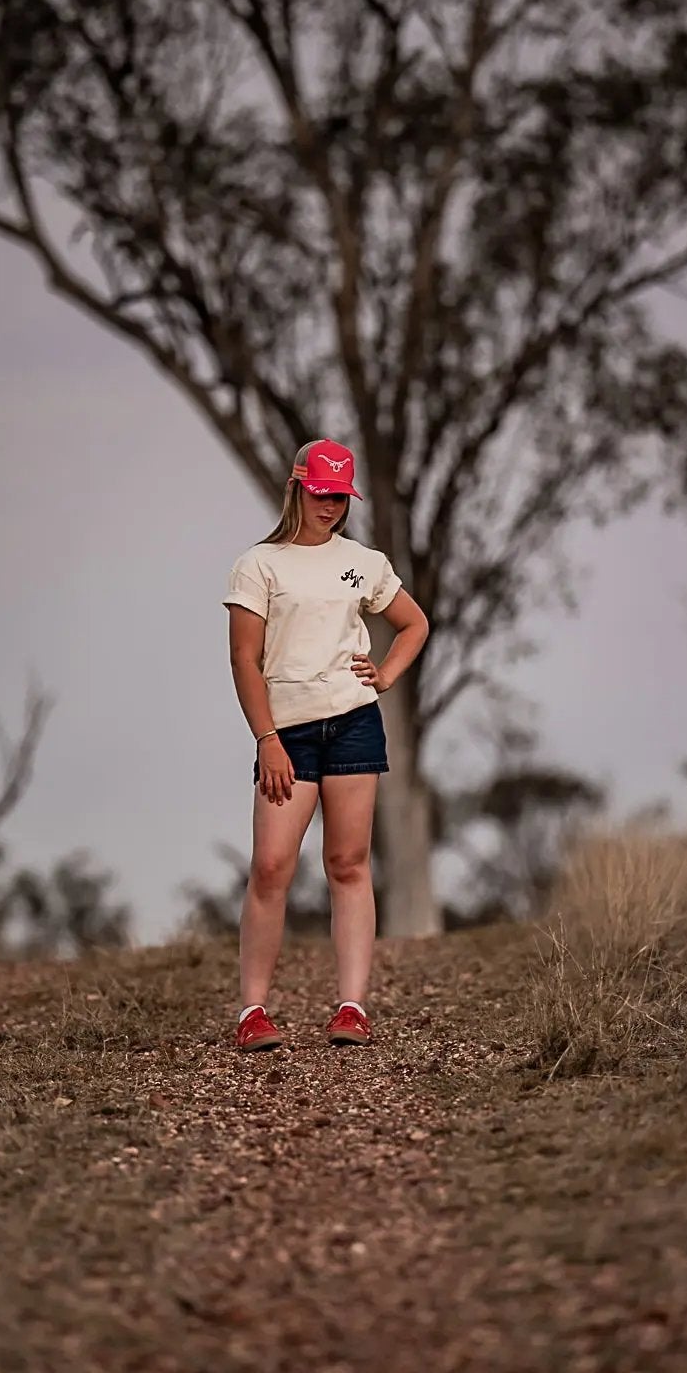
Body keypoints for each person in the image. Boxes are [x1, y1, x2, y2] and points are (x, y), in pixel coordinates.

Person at [222, 438, 430, 1052]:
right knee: (271, 867)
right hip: (286, 732)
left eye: (340, 496)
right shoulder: (258, 566)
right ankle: (253, 1012)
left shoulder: (363, 562)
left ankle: (352, 1008)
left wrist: (386, 676)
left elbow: (414, 623)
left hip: (354, 723)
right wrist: (267, 740)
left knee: (348, 864)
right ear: (297, 487)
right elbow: (243, 659)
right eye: (321, 493)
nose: (330, 506)